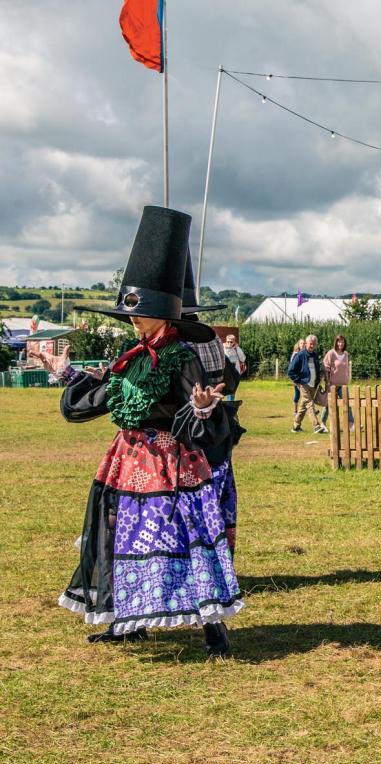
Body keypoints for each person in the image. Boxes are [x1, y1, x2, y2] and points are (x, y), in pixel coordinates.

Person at [35, 206, 242, 654]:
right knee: (117, 533)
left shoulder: (180, 356)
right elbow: (91, 404)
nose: (133, 320)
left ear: (165, 317)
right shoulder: (132, 358)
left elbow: (199, 417)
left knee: (186, 537)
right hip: (126, 462)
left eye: (141, 313)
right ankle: (125, 621)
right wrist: (67, 375)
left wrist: (204, 408)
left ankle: (213, 628)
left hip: (170, 463)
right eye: (130, 313)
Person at [179, 252, 244, 555]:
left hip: (191, 436)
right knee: (215, 502)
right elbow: (231, 381)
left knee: (194, 507)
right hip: (218, 433)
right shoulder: (212, 339)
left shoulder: (178, 343)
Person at [288, 334, 326, 433]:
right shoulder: (300, 355)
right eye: (310, 344)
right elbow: (291, 371)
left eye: (314, 344)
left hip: (313, 384)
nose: (312, 346)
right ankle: (316, 426)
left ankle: (296, 426)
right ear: (306, 343)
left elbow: (316, 369)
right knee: (309, 403)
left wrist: (319, 379)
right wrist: (298, 381)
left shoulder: (315, 355)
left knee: (303, 406)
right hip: (303, 384)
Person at [320, 334, 354, 430]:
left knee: (347, 404)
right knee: (328, 404)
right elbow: (326, 367)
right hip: (332, 385)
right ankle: (322, 423)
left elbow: (346, 368)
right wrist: (327, 381)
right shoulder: (331, 353)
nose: (341, 344)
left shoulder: (346, 354)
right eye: (339, 341)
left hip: (343, 384)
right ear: (336, 342)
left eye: (342, 342)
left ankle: (351, 424)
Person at [222, 333, 247, 400]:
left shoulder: (237, 349)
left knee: (232, 392)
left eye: (231, 342)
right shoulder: (222, 348)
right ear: (226, 341)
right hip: (224, 373)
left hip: (235, 374)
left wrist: (237, 348)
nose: (229, 343)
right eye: (228, 341)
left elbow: (243, 359)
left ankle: (229, 406)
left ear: (234, 342)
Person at [289, 339, 305, 413]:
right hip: (297, 377)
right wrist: (294, 378)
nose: (302, 344)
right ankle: (296, 411)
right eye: (301, 343)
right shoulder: (295, 354)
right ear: (298, 344)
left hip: (303, 377)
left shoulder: (305, 353)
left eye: (304, 343)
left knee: (302, 394)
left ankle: (299, 411)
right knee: (299, 394)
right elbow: (292, 367)